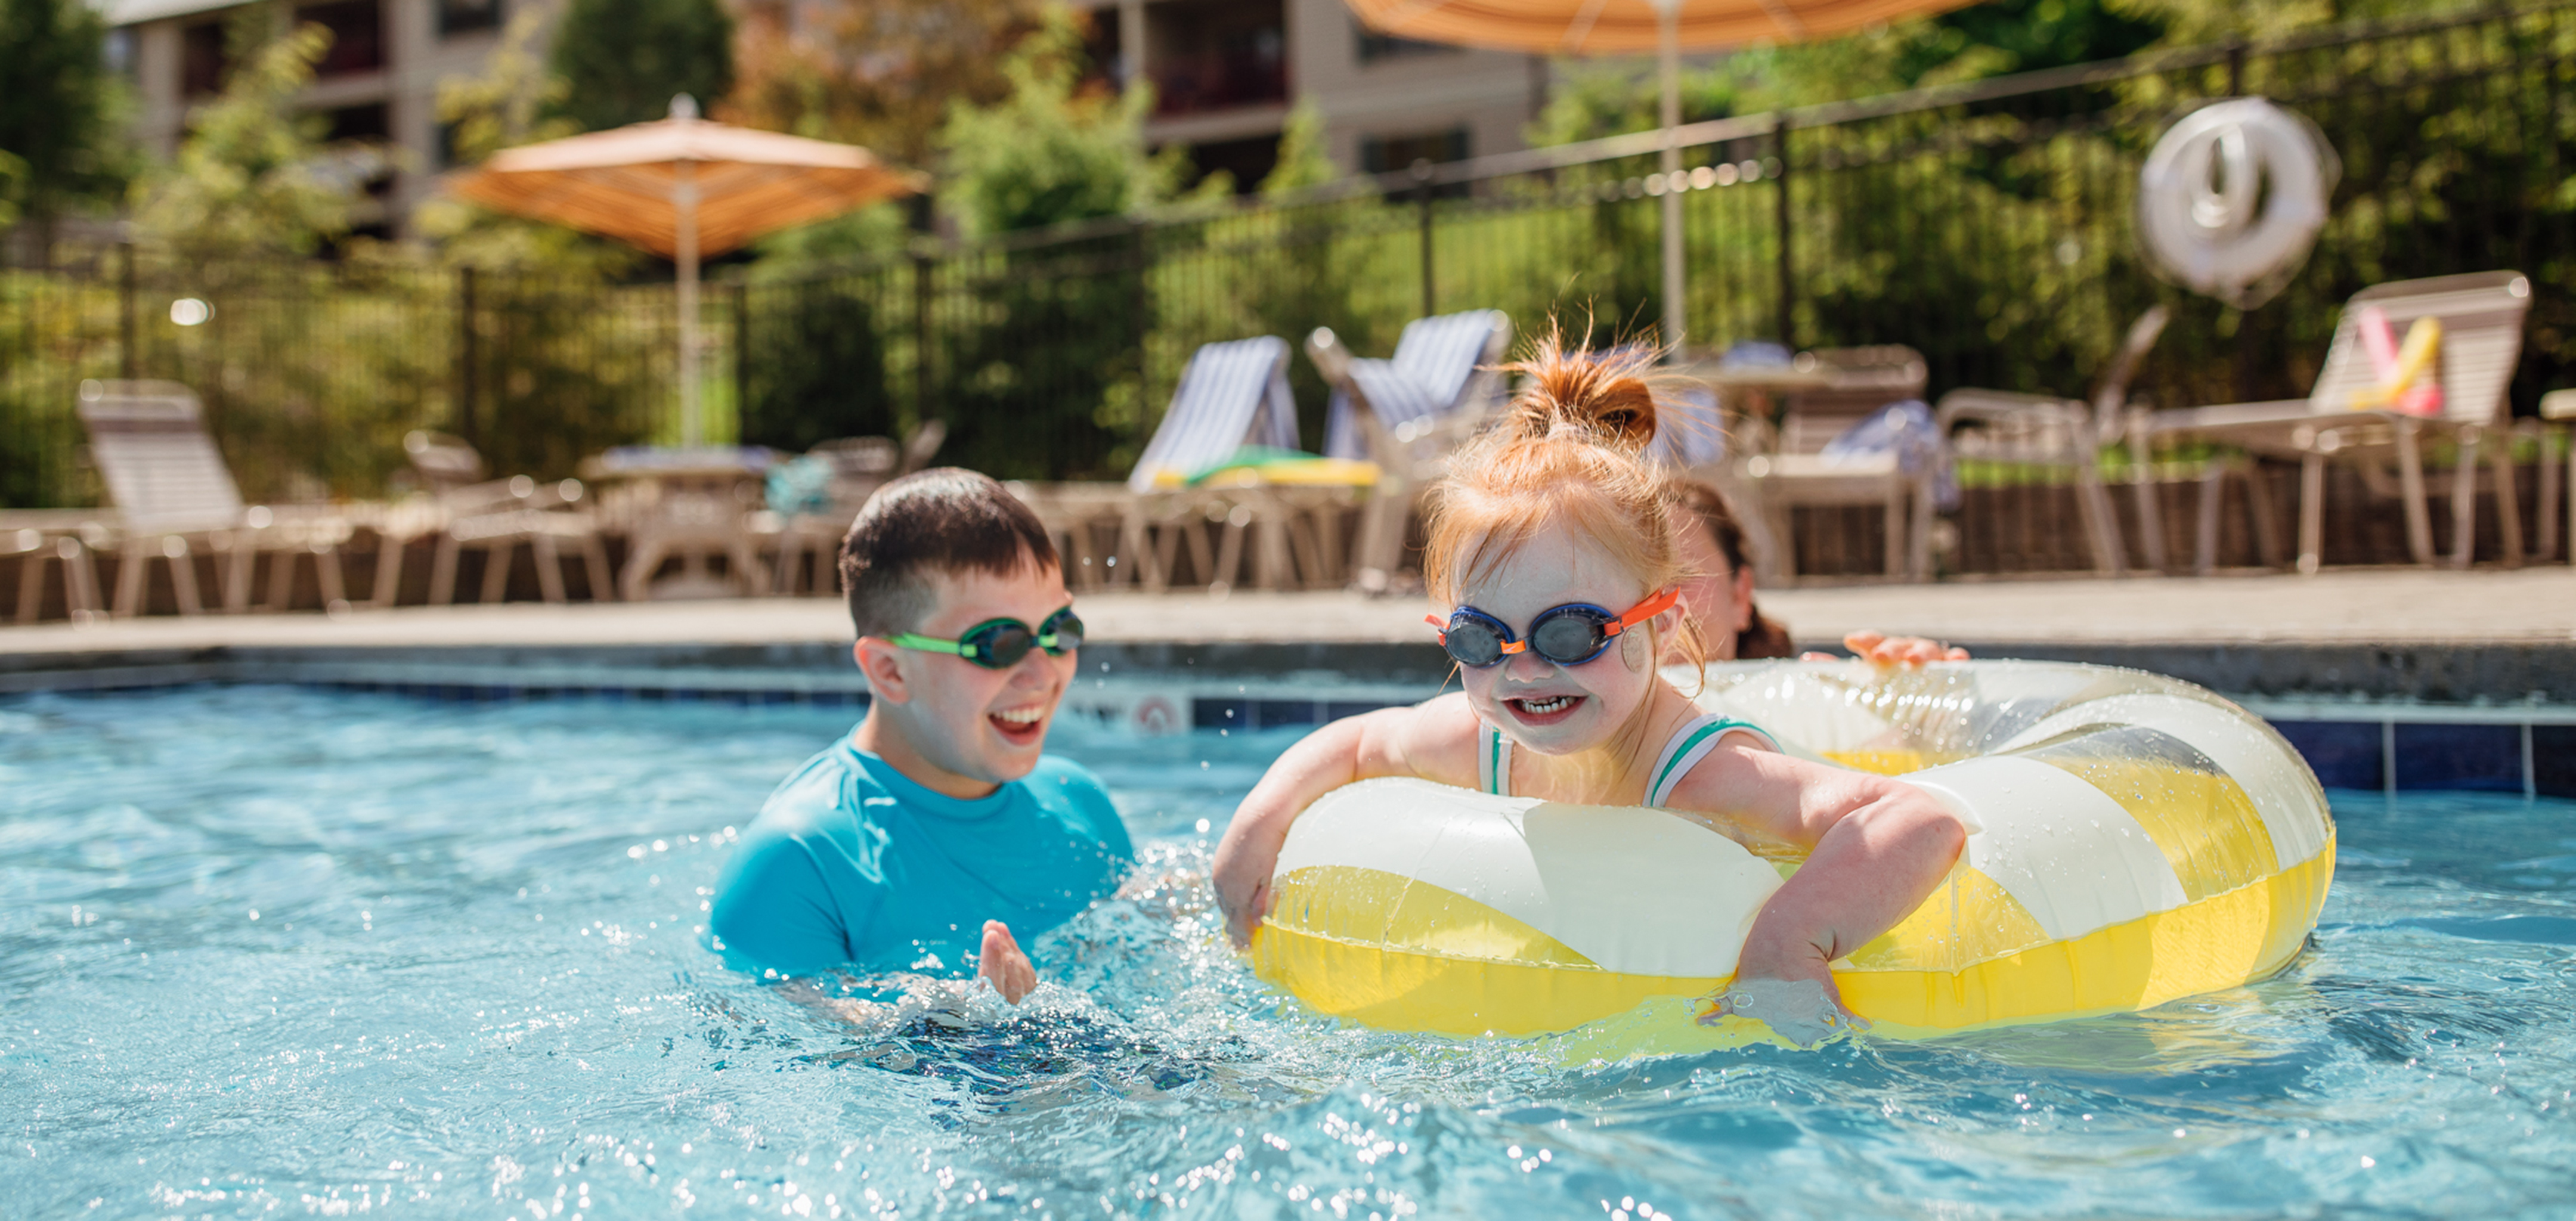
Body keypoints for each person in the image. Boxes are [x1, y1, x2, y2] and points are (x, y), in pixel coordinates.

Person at [1210, 340, 1967, 1045]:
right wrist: (1253, 833)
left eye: (1570, 633)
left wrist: (1787, 939)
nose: (1526, 670)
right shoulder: (1485, 740)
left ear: (1664, 625)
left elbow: (1921, 815)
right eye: (1480, 638)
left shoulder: (1706, 773)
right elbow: (1355, 742)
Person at [708, 469, 1132, 1004]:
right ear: (890, 670)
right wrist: (967, 1033)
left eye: (1059, 631)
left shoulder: (1081, 803)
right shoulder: (797, 868)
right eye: (998, 644)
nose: (1042, 674)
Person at [1668, 479, 1969, 667]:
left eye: (1677, 575)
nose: (1649, 602)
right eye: (1622, 583)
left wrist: (1914, 721)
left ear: (1740, 595)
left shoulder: (1811, 714)